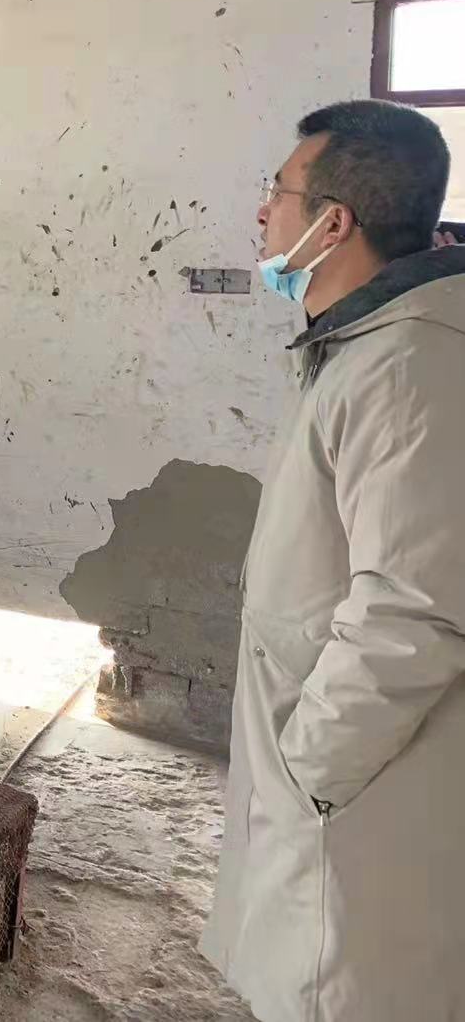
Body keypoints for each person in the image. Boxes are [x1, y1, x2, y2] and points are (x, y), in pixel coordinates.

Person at [201, 100, 465, 1020]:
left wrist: (311, 769)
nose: (261, 212)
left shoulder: (410, 366)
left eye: (277, 192)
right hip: (326, 778)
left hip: (351, 790)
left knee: (334, 981)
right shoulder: (366, 344)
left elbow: (413, 612)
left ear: (334, 223)